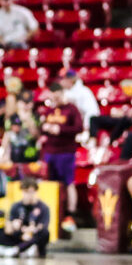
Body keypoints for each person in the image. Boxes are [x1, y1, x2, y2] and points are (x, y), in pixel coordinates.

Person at [40, 84, 83, 232]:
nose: (55, 97)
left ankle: (70, 214)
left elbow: (79, 128)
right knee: (50, 183)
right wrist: (45, 128)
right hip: (50, 151)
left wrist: (61, 130)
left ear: (62, 93)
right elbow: (41, 128)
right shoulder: (49, 110)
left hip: (66, 151)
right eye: (52, 95)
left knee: (69, 182)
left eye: (57, 94)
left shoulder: (71, 109)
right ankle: (51, 211)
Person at [0, 177, 50, 257]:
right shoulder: (16, 206)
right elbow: (8, 228)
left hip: (32, 238)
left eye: (31, 192)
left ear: (36, 192)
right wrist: (12, 226)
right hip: (18, 237)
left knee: (44, 234)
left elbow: (42, 227)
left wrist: (29, 231)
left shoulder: (43, 208)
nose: (29, 195)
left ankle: (17, 249)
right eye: (26, 192)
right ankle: (23, 250)